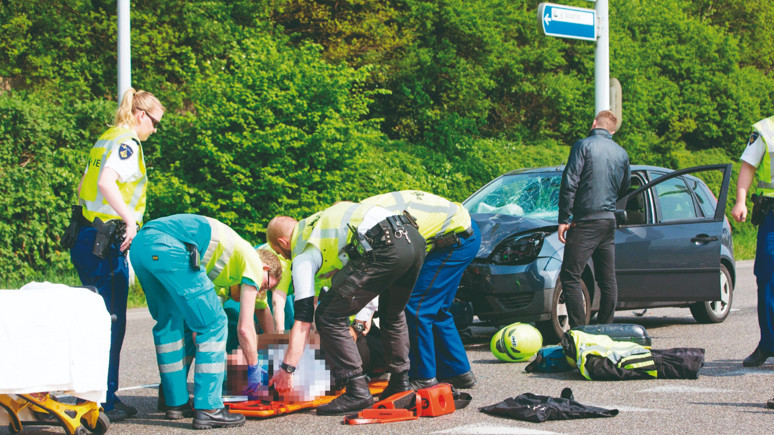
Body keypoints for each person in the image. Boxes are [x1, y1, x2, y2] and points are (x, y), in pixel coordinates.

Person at [266, 201, 426, 415]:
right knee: (392, 313)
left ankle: (356, 389)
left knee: (327, 315)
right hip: (413, 237)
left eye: (280, 252)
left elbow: (304, 318)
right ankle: (400, 382)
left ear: (283, 242)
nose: (284, 257)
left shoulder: (303, 251)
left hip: (386, 243)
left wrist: (287, 369)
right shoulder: (320, 223)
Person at [129, 213, 281, 429]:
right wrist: (254, 366)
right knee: (214, 325)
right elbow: (245, 328)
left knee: (170, 322)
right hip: (171, 246)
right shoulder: (254, 263)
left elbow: (195, 329)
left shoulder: (223, 271)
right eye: (264, 286)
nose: (259, 292)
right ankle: (209, 408)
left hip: (141, 246)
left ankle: (175, 401)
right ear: (264, 268)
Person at [69, 88, 164, 421]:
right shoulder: (128, 143)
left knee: (93, 321)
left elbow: (84, 185)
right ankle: (104, 400)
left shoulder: (105, 138)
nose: (155, 130)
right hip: (105, 243)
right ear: (141, 115)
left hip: (85, 236)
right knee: (112, 323)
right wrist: (129, 220)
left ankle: (87, 395)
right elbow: (107, 183)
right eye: (155, 122)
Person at [357, 190, 481, 390]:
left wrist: (365, 313)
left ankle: (423, 377)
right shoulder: (370, 209)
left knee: (416, 306)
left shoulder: (370, 224)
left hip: (454, 241)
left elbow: (382, 269)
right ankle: (458, 372)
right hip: (465, 233)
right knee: (436, 309)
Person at [557, 110, 630, 328]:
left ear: (593, 123)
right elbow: (625, 186)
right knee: (607, 279)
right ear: (613, 131)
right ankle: (606, 328)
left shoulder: (583, 145)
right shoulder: (621, 153)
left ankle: (579, 330)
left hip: (585, 220)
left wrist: (564, 218)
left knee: (570, 275)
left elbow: (570, 181)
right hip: (608, 221)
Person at [731, 115, 774, 373]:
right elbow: (748, 166)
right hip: (772, 215)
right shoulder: (766, 130)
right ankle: (768, 343)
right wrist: (740, 201)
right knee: (767, 278)